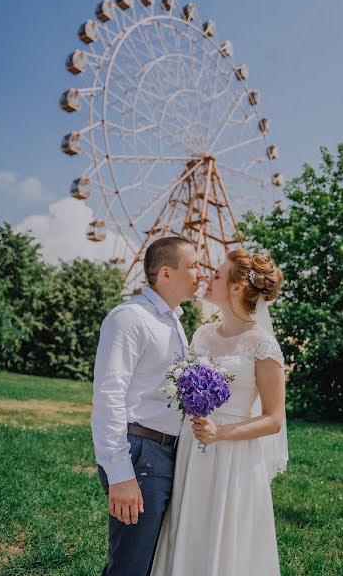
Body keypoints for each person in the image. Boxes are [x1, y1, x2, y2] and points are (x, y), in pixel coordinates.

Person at [151, 248, 289, 576]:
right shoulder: (202, 335)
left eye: (216, 275)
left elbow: (273, 419)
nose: (207, 279)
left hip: (235, 456)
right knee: (190, 523)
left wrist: (220, 434)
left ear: (237, 288)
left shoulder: (264, 345)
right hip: (193, 447)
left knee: (226, 533)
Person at [91, 236, 205, 576]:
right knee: (130, 565)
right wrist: (121, 475)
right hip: (140, 453)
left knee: (151, 562)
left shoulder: (172, 321)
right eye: (194, 265)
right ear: (166, 273)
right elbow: (109, 397)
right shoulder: (129, 318)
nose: (201, 272)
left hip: (166, 454)